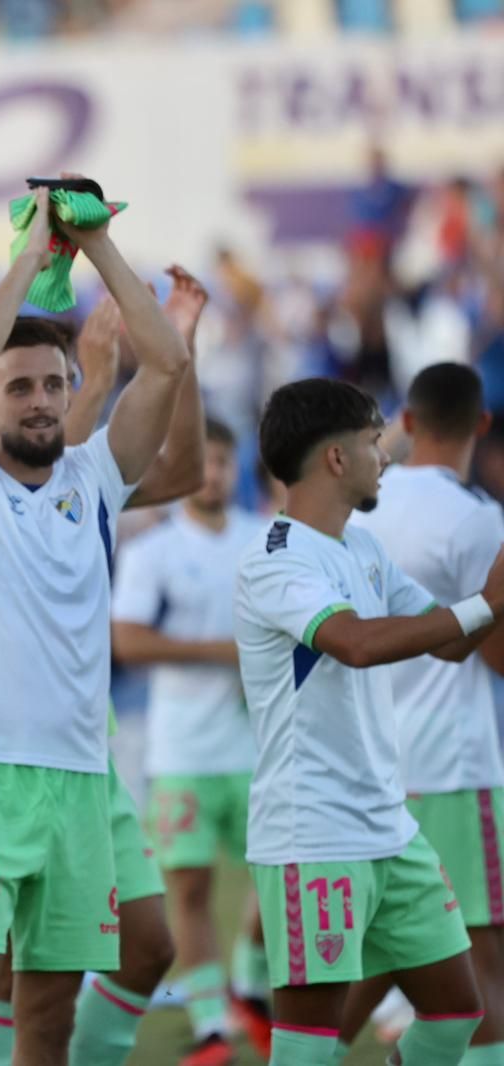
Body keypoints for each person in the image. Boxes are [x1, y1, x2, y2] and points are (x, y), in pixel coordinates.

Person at [0, 186, 191, 1066]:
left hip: (77, 783)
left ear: (74, 391)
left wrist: (101, 245)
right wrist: (33, 254)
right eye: (20, 385)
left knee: (48, 1019)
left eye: (54, 385)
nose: (39, 400)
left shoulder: (96, 478)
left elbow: (169, 365)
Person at [235, 376, 499, 1066]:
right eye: (374, 441)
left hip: (390, 826)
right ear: (335, 458)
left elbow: (448, 642)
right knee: (308, 1046)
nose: (386, 455)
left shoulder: (365, 550)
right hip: (313, 831)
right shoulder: (277, 558)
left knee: (455, 1015)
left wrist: (493, 592)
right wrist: (480, 605)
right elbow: (355, 645)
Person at [338, 362, 504, 1064]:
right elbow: (494, 657)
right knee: (484, 961)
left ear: (405, 422)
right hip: (451, 763)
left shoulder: (354, 506)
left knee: (387, 946)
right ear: (482, 426)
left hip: (367, 764)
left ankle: (307, 1051)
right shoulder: (479, 519)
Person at [112, 417, 270, 1066]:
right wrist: (223, 653)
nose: (215, 473)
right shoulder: (153, 551)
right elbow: (128, 641)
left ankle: (250, 985)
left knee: (281, 882)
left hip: (261, 752)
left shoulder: (264, 541)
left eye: (225, 461)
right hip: (182, 756)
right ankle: (212, 1029)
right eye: (202, 461)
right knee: (190, 896)